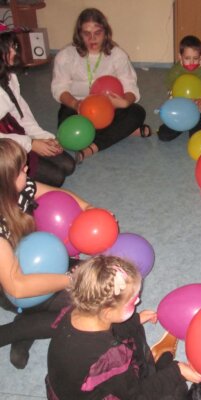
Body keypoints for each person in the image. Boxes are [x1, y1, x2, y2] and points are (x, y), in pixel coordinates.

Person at [46, 255, 201, 400]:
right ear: (108, 312)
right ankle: (163, 368)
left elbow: (108, 325)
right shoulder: (108, 356)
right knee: (175, 392)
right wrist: (176, 373)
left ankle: (156, 366)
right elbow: (136, 395)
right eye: (133, 301)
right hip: (99, 394)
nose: (137, 302)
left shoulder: (77, 311)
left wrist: (136, 319)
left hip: (69, 386)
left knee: (132, 330)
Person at [0, 138, 92, 369]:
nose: (28, 169)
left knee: (95, 282)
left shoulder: (21, 188)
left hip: (38, 261)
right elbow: (17, 287)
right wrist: (69, 280)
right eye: (22, 169)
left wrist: (88, 208)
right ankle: (11, 333)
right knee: (85, 310)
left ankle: (27, 322)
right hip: (9, 287)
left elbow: (60, 195)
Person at [51, 8, 151, 164]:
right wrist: (76, 104)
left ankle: (93, 147)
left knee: (137, 112)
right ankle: (125, 131)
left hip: (108, 107)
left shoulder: (118, 55)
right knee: (65, 132)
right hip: (77, 105)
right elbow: (59, 87)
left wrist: (124, 102)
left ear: (106, 32)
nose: (92, 38)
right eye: (86, 33)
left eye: (97, 32)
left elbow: (130, 86)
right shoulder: (65, 56)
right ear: (79, 34)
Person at [0, 26, 75, 187]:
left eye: (14, 46)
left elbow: (21, 113)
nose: (14, 52)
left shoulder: (8, 74)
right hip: (3, 146)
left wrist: (41, 136)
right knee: (56, 177)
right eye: (7, 49)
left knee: (68, 165)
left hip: (12, 133)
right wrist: (30, 144)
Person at [158, 35, 201, 142]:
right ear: (180, 57)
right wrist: (175, 103)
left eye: (195, 59)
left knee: (197, 138)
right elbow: (170, 89)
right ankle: (182, 125)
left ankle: (194, 127)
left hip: (199, 113)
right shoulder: (175, 71)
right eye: (187, 58)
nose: (191, 62)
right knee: (163, 135)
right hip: (180, 110)